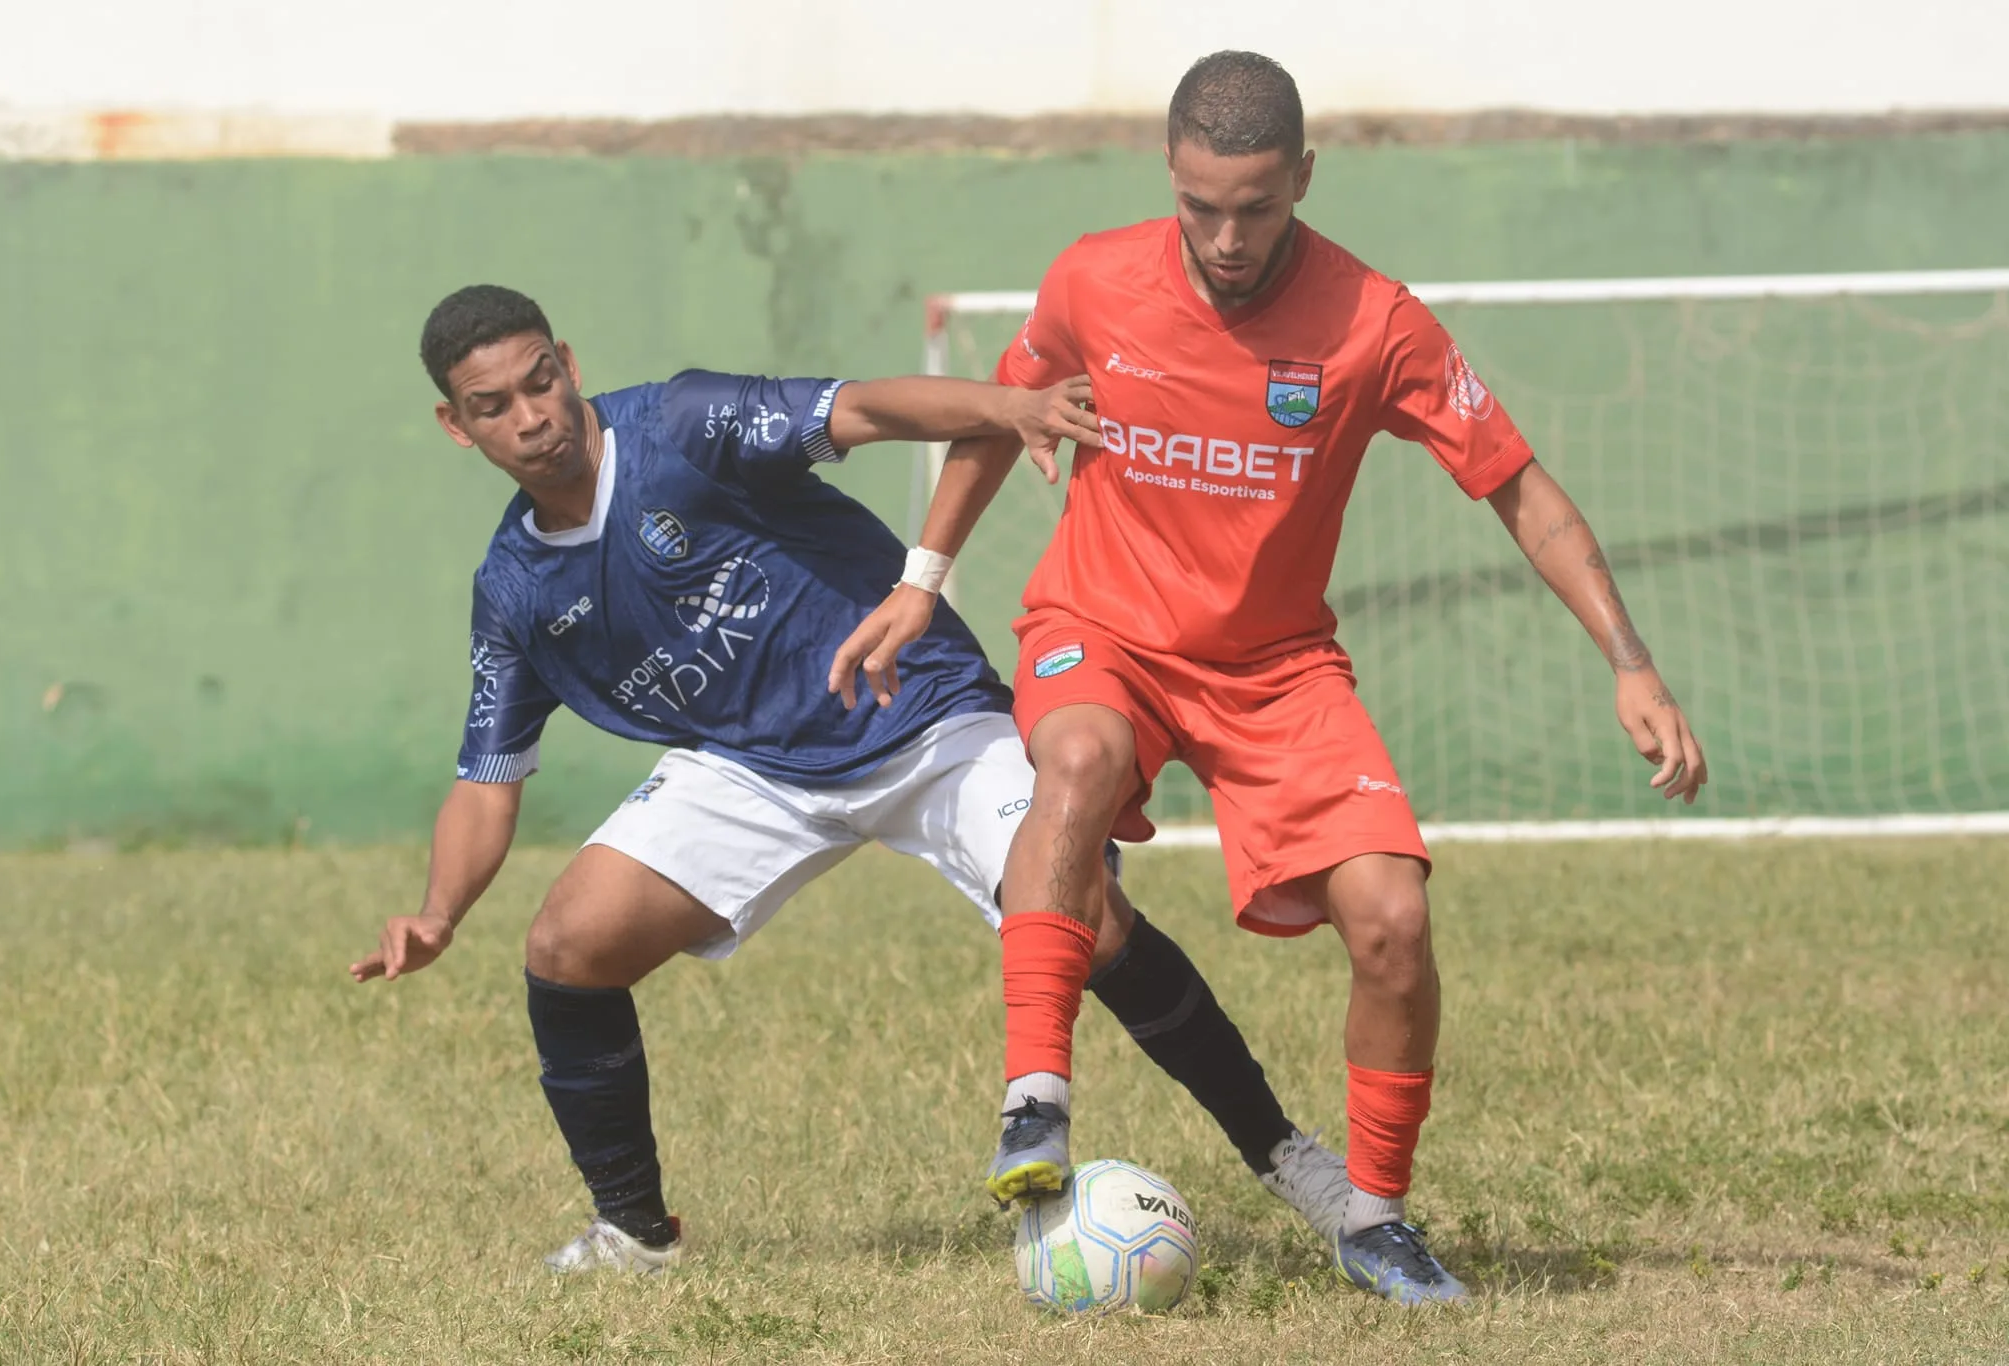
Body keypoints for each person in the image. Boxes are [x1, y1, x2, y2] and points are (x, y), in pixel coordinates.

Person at [828, 51, 1709, 1306]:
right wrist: (922, 576)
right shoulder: (1092, 277)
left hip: (1275, 666)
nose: (1227, 238)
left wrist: (1630, 663)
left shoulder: (1373, 321)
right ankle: (1035, 1100)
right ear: (1169, 178)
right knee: (1072, 761)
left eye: (1256, 206)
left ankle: (1374, 1218)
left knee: (1394, 923)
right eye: (1200, 206)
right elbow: (999, 412)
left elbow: (1515, 484)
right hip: (1105, 628)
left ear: (1303, 176)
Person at [348, 283, 1356, 1275]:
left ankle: (1286, 1154)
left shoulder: (682, 423)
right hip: (753, 768)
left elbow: (861, 408)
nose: (532, 418)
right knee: (568, 946)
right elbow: (487, 777)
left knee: (1084, 918)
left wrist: (1005, 407)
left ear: (568, 363)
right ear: (455, 425)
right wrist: (437, 914)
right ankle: (635, 1231)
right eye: (494, 407)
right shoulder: (515, 590)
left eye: (540, 383)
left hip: (919, 712)